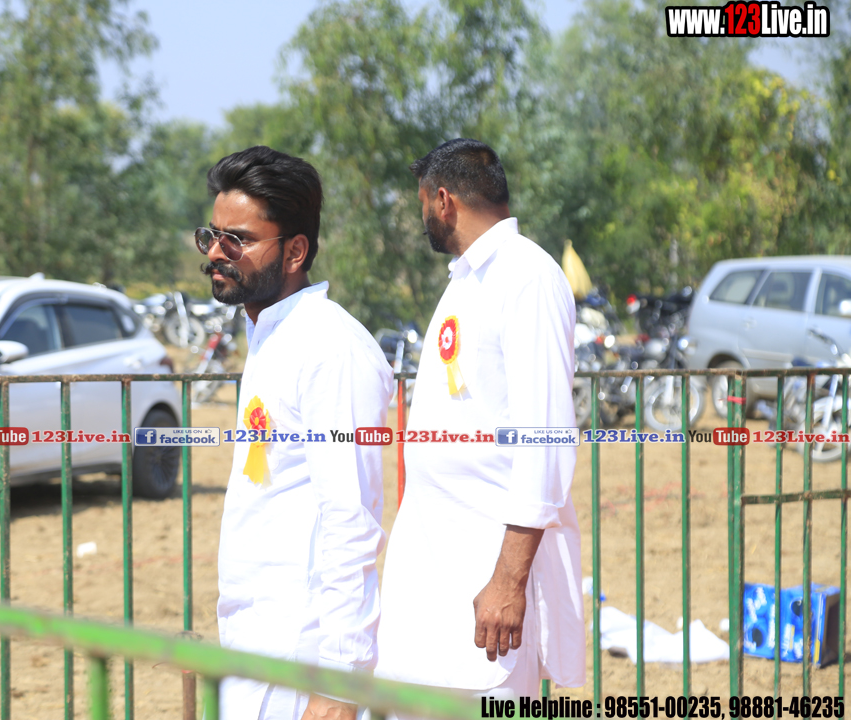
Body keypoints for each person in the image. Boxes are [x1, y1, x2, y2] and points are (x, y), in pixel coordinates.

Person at [375, 139, 585, 711]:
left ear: (442, 200)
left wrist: (508, 582)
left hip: (486, 580)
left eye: (422, 204)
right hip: (433, 572)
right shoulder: (466, 280)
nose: (423, 217)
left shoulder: (527, 276)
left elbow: (547, 440)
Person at [199, 146, 393, 720]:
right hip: (255, 637)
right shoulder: (270, 335)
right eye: (212, 236)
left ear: (295, 250)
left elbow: (352, 521)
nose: (217, 253)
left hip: (301, 651)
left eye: (238, 240)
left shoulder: (331, 349)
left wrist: (339, 686)